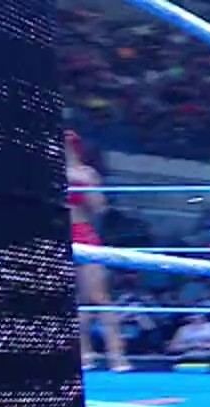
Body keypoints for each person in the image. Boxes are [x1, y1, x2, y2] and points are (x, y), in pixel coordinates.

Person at [64, 132, 128, 372]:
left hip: (82, 233)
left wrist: (84, 186)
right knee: (75, 301)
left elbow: (100, 208)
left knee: (99, 297)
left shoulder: (86, 173)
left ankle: (117, 356)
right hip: (58, 233)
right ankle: (84, 356)